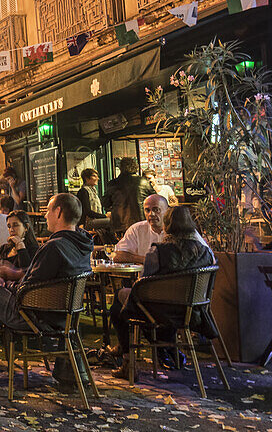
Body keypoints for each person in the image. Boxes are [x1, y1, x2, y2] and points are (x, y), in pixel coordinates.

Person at [0, 193, 93, 393]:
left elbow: (28, 286)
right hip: (60, 316)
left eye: (48, 211)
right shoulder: (82, 245)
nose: (45, 216)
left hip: (28, 314)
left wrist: (5, 287)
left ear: (58, 212)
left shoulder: (54, 247)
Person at [110, 206, 216, 378]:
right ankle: (166, 348)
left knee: (120, 301)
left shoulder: (158, 251)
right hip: (193, 312)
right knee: (132, 302)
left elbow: (146, 284)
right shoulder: (205, 252)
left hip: (158, 311)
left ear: (166, 226)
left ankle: (128, 361)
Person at [0, 210, 41, 286]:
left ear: (26, 227)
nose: (11, 230)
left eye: (15, 225)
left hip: (14, 293)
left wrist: (20, 246)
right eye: (9, 226)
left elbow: (27, 274)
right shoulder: (4, 248)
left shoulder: (33, 249)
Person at [112, 194, 169, 263]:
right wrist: (148, 260)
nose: (151, 214)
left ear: (167, 211)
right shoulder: (137, 229)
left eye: (156, 210)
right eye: (147, 210)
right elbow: (117, 255)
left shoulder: (178, 228)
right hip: (146, 273)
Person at [103, 158, 152, 234]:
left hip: (119, 223)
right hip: (140, 221)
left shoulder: (113, 183)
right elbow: (155, 199)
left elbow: (105, 203)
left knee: (122, 244)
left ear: (121, 168)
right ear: (136, 167)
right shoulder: (144, 182)